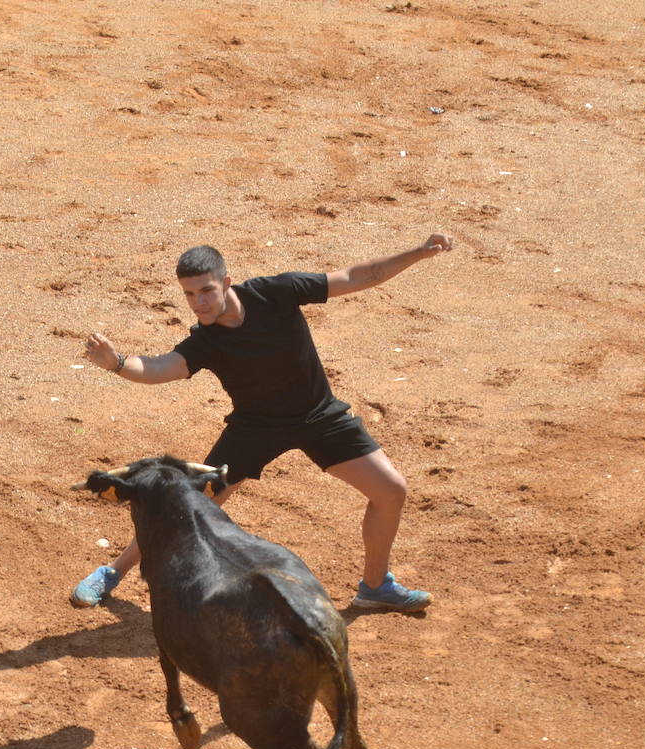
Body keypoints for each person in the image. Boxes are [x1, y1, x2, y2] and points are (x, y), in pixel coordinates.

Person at [74, 234, 454, 612]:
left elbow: (359, 276)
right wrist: (119, 364)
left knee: (391, 490)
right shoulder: (206, 340)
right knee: (186, 506)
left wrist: (418, 253)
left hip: (318, 416)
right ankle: (112, 572)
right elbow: (161, 367)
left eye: (206, 290)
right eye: (189, 295)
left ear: (225, 282)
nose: (199, 303)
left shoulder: (276, 292)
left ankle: (375, 586)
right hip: (254, 430)